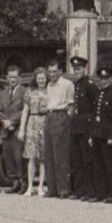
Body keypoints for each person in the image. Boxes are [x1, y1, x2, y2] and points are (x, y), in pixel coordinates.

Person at [88, 66, 112, 203]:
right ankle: (100, 192)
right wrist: (92, 135)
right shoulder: (99, 94)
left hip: (108, 136)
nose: (103, 81)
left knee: (110, 165)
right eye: (101, 79)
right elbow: (94, 116)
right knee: (98, 165)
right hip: (97, 134)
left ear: (111, 79)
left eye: (106, 79)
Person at [43, 59, 76, 199]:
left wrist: (66, 120)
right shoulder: (48, 85)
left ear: (60, 71)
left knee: (60, 155)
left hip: (61, 116)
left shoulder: (67, 84)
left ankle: (63, 189)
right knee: (49, 155)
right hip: (49, 117)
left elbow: (71, 105)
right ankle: (52, 189)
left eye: (55, 71)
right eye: (50, 72)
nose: (52, 74)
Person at [18, 67, 50, 197]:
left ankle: (41, 186)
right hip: (32, 122)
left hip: (45, 123)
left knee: (43, 158)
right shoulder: (30, 92)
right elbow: (25, 110)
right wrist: (22, 129)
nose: (41, 80)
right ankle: (30, 186)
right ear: (35, 79)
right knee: (31, 157)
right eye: (39, 78)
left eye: (43, 78)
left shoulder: (50, 91)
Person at [0, 65, 28, 194]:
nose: (12, 79)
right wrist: (5, 121)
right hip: (5, 129)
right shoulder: (3, 93)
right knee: (8, 157)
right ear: (7, 78)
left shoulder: (24, 92)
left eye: (15, 77)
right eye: (10, 77)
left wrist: (12, 121)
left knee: (19, 157)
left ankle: (23, 182)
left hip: (17, 129)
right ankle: (14, 182)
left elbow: (25, 109)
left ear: (19, 78)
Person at [69, 56, 97, 199]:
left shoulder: (90, 85)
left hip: (86, 126)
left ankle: (90, 190)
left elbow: (95, 109)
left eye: (79, 68)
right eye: (75, 69)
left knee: (87, 160)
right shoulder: (77, 85)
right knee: (77, 160)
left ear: (85, 69)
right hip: (76, 127)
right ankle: (79, 190)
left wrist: (92, 131)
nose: (77, 71)